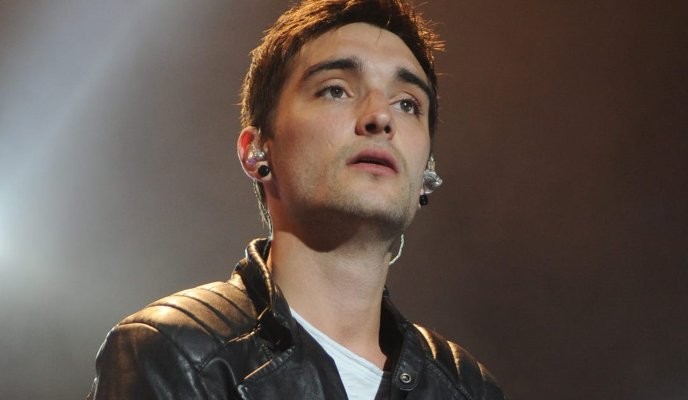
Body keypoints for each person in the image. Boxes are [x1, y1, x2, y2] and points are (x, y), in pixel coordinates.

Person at [87, 0, 506, 399]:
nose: (381, 117)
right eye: (336, 90)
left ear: (426, 174)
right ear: (257, 150)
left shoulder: (468, 389)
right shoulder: (178, 352)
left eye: (407, 104)